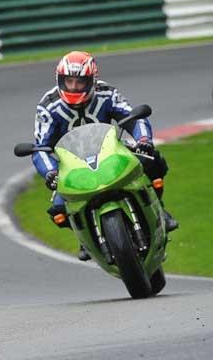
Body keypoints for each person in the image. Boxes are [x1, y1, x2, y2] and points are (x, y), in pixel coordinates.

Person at [32, 51, 178, 261]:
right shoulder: (48, 106)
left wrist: (143, 140)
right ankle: (83, 238)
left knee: (153, 160)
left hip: (111, 149)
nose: (73, 87)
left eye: (79, 82)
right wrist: (50, 173)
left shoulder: (107, 93)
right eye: (68, 81)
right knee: (57, 211)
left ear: (92, 80)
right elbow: (40, 149)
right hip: (71, 163)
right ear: (59, 80)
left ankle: (160, 210)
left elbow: (133, 118)